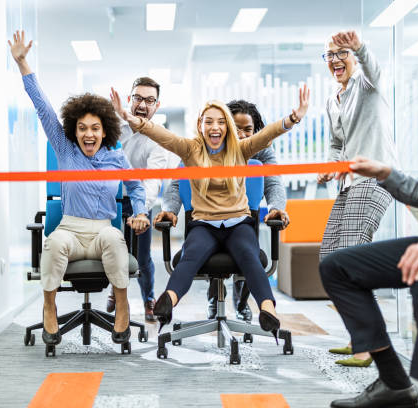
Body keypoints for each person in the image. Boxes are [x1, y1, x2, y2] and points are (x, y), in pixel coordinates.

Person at [320, 10, 418, 408]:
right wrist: (386, 172)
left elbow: (373, 70)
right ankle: (394, 382)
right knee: (335, 265)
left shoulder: (366, 84)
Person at [110, 85, 309, 336]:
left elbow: (266, 135)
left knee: (249, 255)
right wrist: (129, 118)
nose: (215, 127)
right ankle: (167, 301)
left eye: (220, 122)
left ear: (226, 126)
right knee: (190, 256)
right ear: (200, 125)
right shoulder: (191, 149)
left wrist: (293, 118)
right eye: (208, 122)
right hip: (204, 225)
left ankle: (268, 310)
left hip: (238, 224)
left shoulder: (241, 149)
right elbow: (159, 133)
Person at [9, 31, 150, 346]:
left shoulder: (116, 156)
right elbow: (44, 108)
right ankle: (49, 306)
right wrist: (22, 63)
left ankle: (122, 304)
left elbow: (136, 187)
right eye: (82, 128)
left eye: (95, 128)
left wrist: (140, 211)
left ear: (105, 131)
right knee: (53, 244)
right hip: (70, 229)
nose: (89, 134)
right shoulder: (65, 149)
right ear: (74, 130)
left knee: (116, 240)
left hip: (102, 231)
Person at [156, 99, 289, 322]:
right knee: (197, 250)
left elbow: (273, 183)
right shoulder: (199, 150)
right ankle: (202, 296)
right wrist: (169, 210)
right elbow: (178, 183)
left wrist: (276, 208)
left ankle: (252, 303)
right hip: (205, 221)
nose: (243, 135)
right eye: (237, 128)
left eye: (249, 130)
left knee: (249, 254)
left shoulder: (260, 150)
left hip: (242, 219)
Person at [317, 30, 398, 368]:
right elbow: (338, 143)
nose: (336, 60)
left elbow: (375, 69)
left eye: (342, 53)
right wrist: (330, 165)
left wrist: (361, 47)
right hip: (348, 184)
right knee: (329, 258)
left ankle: (368, 348)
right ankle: (357, 337)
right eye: (330, 55)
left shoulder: (367, 85)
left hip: (374, 178)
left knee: (350, 258)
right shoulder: (333, 98)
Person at [105, 76, 169, 323]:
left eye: (149, 100)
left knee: (142, 257)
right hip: (111, 198)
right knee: (113, 250)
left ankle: (148, 299)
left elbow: (153, 180)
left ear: (157, 105)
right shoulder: (112, 129)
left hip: (140, 201)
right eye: (139, 98)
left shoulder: (159, 137)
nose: (143, 105)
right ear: (130, 99)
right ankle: (115, 288)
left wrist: (142, 210)